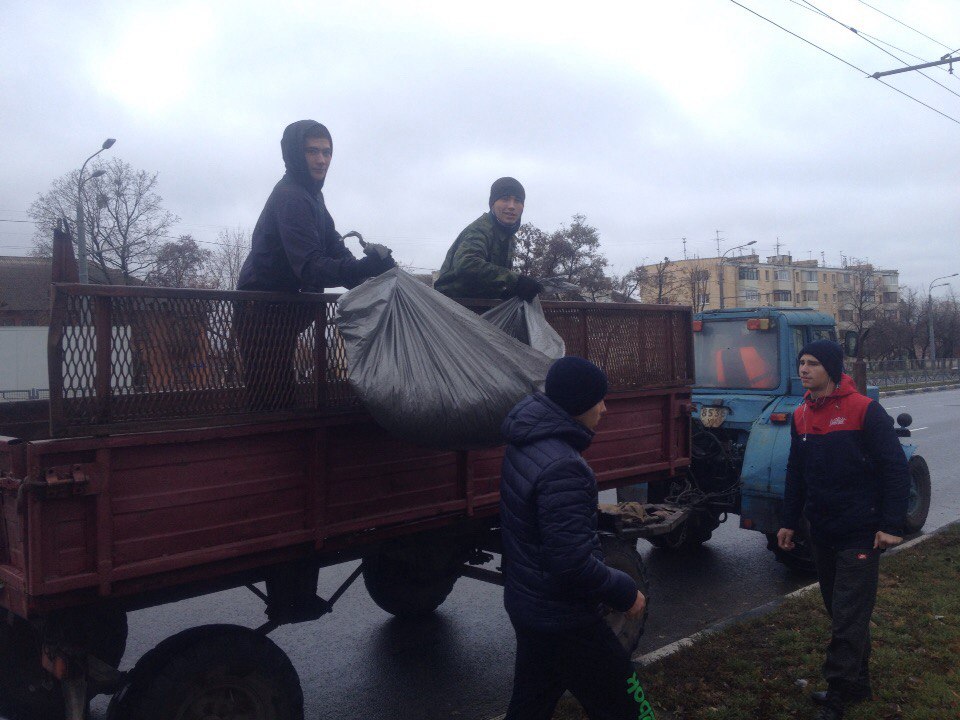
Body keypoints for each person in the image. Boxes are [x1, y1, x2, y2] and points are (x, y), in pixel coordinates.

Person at [499, 356, 652, 720]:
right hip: (565, 618)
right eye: (599, 399)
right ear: (578, 403)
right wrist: (624, 590)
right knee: (631, 707)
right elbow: (570, 562)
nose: (604, 407)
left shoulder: (526, 439)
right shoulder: (564, 466)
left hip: (530, 605)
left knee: (529, 706)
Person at [777, 340, 909, 720]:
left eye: (813, 363)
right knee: (840, 611)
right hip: (823, 530)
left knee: (848, 616)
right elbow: (796, 475)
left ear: (831, 370)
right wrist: (788, 521)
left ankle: (837, 693)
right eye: (801, 362)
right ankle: (858, 682)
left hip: (861, 532)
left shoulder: (864, 410)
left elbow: (894, 468)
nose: (804, 369)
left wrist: (890, 525)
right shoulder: (801, 414)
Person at [235, 120, 394, 411]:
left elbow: (333, 245)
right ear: (295, 154)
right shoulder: (291, 197)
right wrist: (362, 270)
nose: (321, 160)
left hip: (282, 310)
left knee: (280, 397)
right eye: (312, 151)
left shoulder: (312, 196)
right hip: (259, 310)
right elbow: (309, 266)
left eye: (327, 152)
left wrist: (374, 270)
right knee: (271, 404)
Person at [433, 177, 543, 301]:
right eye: (505, 199)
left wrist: (507, 290)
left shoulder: (508, 235)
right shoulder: (480, 230)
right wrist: (515, 281)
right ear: (492, 204)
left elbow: (495, 278)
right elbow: (466, 265)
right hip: (452, 304)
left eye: (517, 201)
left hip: (482, 303)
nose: (512, 206)